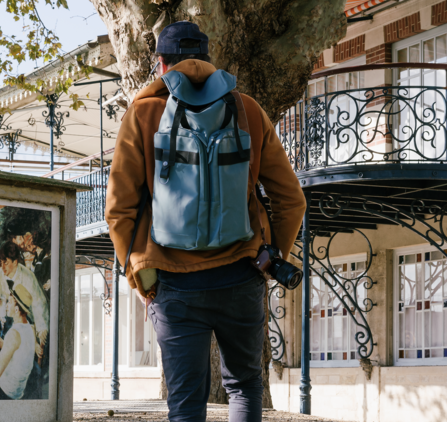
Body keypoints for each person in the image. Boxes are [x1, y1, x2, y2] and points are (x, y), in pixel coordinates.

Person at [104, 22, 306, 422]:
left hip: (173, 283)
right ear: (209, 62)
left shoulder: (143, 113)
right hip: (242, 274)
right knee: (245, 387)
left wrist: (140, 277)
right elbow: (290, 199)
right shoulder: (246, 109)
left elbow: (119, 209)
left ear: (161, 65)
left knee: (186, 402)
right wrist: (272, 256)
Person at [0, 241, 48, 358]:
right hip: (9, 317)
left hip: (27, 319)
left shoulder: (28, 276)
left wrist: (41, 328)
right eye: (1, 263)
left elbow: (39, 303)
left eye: (5, 263)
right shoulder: (0, 273)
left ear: (15, 262)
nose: (2, 267)